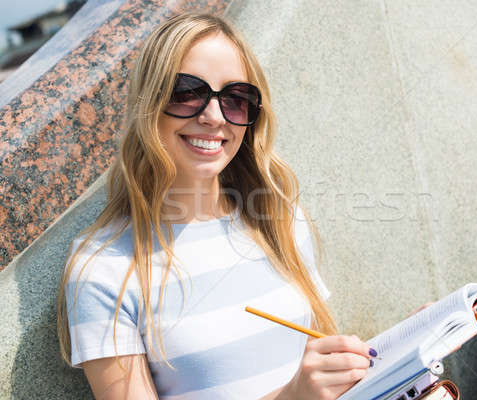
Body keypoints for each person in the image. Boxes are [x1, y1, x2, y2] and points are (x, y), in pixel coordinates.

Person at [56, 12, 375, 400]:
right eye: (186, 93)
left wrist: (396, 354)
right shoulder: (104, 268)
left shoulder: (280, 221)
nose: (213, 117)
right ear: (148, 103)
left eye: (236, 100)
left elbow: (325, 379)